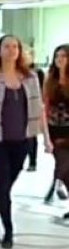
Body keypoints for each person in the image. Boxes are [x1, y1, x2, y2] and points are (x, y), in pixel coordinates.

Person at [0, 35, 49, 249]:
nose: (11, 50)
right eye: (6, 46)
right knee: (3, 186)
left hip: (22, 140)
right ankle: (8, 231)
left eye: (15, 46)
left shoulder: (30, 78)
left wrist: (46, 138)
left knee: (4, 187)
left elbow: (39, 109)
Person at [43, 44, 69, 219]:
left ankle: (55, 185)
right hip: (54, 129)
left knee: (64, 166)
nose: (60, 59)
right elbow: (44, 106)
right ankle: (57, 184)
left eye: (64, 56)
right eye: (57, 56)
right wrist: (44, 132)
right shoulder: (50, 80)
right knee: (65, 168)